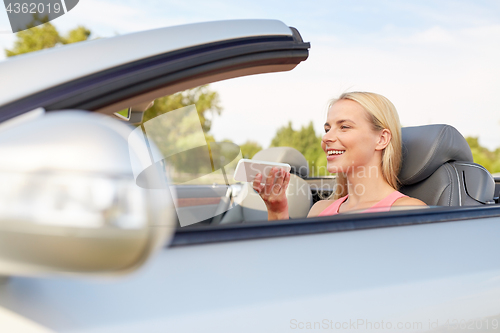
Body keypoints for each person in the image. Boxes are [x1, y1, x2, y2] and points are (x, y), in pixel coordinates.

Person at [252, 91, 426, 220]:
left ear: (381, 139)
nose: (326, 137)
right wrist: (277, 212)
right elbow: (295, 265)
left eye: (344, 127)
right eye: (327, 129)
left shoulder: (408, 210)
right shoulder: (319, 210)